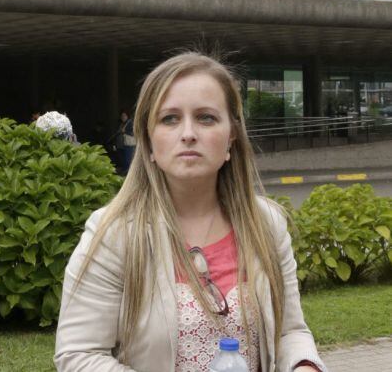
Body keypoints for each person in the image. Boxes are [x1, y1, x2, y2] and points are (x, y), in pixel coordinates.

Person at [55, 52, 325, 372]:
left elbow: (290, 331)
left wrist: (304, 365)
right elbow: (79, 355)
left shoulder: (267, 224)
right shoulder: (113, 233)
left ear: (231, 137)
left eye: (206, 117)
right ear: (149, 141)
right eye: (169, 118)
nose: (188, 133)